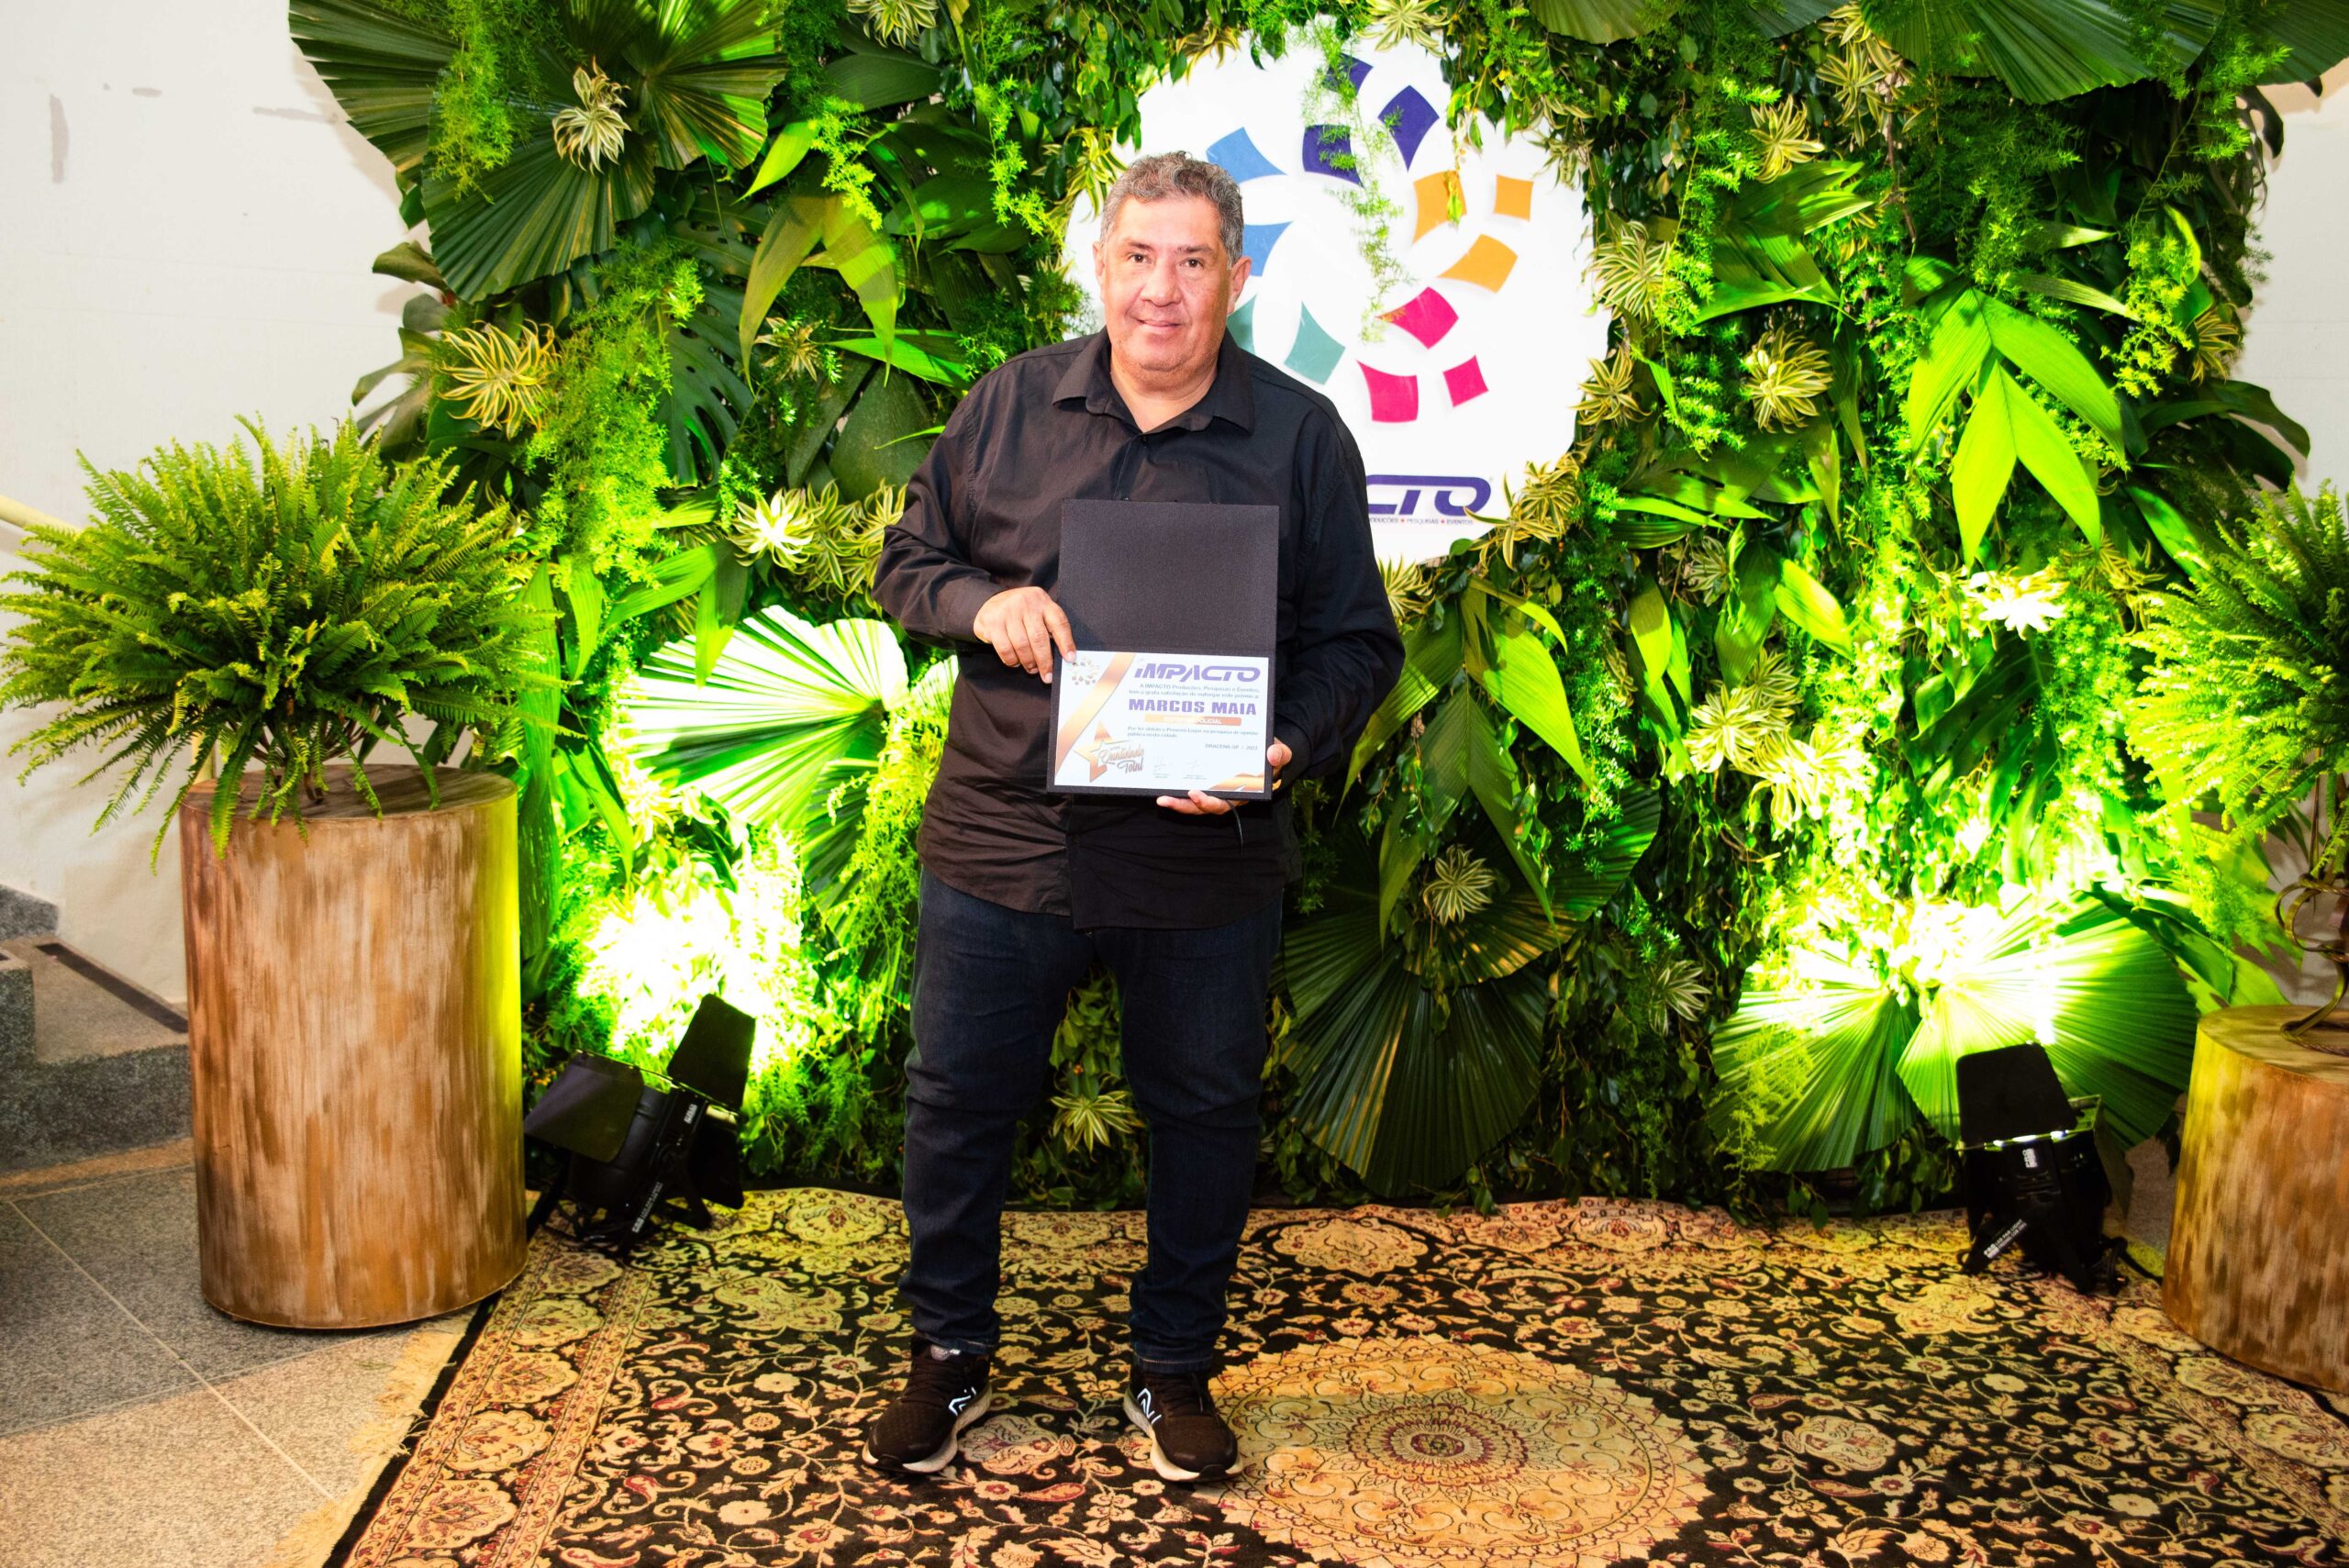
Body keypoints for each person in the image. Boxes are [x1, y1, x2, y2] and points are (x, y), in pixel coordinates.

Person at [863, 150, 1403, 1483]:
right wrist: (979, 602)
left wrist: (1280, 746)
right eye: (1139, 257)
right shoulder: (1007, 406)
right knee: (955, 1102)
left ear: (1237, 277)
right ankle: (950, 1349)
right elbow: (908, 560)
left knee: (1206, 1113)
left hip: (1203, 845)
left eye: (1193, 261)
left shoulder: (1302, 438)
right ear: (1100, 268)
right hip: (1005, 830)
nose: (1163, 289)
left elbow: (1358, 645)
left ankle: (1172, 1369)